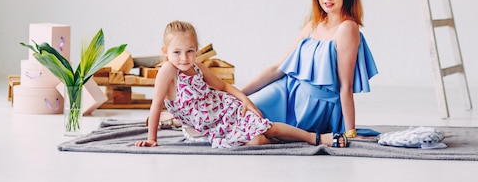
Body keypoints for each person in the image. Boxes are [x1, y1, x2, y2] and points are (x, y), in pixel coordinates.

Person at [135, 20, 348, 149]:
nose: (184, 58)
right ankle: (285, 140)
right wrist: (152, 139)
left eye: (190, 51)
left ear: (196, 49)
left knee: (268, 127)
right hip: (212, 127)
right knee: (257, 141)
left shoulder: (198, 66)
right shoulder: (168, 72)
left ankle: (317, 139)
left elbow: (224, 87)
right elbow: (156, 105)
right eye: (177, 52)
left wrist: (246, 102)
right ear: (165, 52)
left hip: (225, 109)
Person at [241, 0, 378, 140]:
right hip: (285, 91)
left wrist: (350, 132)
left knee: (251, 130)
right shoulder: (313, 25)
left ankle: (276, 136)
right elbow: (277, 68)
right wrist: (238, 94)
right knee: (239, 112)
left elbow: (346, 86)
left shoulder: (347, 28)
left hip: (314, 106)